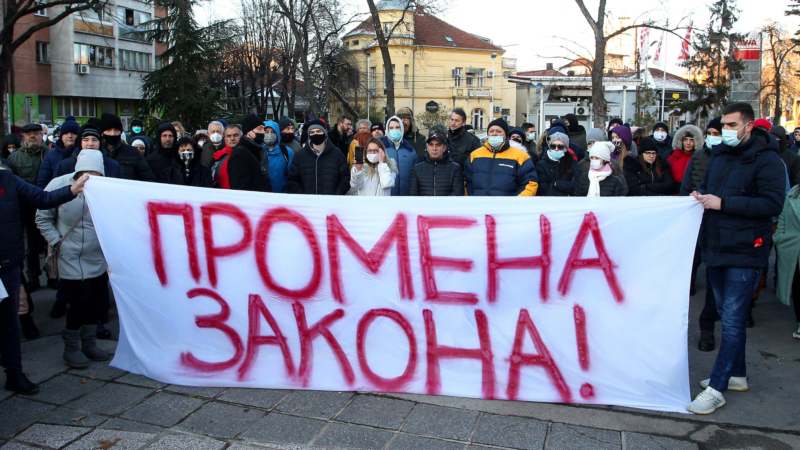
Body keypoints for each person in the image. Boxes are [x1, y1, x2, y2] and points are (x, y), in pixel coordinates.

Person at [687, 103, 785, 415]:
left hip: (746, 250)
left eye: (731, 125)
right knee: (731, 316)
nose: (724, 130)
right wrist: (699, 196)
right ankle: (737, 375)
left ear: (748, 126)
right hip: (716, 246)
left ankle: (717, 387)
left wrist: (724, 203)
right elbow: (709, 190)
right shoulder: (720, 156)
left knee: (731, 318)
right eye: (722, 125)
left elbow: (771, 203)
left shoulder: (767, 160)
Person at [1, 164, 89, 394]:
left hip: (8, 265)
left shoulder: (7, 179)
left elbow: (42, 198)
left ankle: (14, 373)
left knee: (9, 323)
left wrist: (72, 190)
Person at [36, 150, 111, 369]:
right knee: (77, 302)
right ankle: (71, 348)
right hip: (69, 255)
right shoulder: (58, 185)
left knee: (96, 302)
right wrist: (56, 240)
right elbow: (42, 216)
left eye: (95, 173)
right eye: (86, 173)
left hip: (96, 256)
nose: (90, 178)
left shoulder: (108, 190)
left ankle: (89, 343)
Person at [8, 123, 48, 292]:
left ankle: (53, 275)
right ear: (23, 137)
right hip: (25, 207)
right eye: (29, 134)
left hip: (47, 204)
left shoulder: (49, 155)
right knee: (30, 246)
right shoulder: (14, 158)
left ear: (41, 135)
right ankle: (33, 277)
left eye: (36, 133)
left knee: (48, 243)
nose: (33, 136)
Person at [464, 118, 538, 196]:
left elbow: (530, 183)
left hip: (508, 207)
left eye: (499, 131)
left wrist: (516, 204)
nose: (494, 133)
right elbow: (466, 182)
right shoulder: (475, 155)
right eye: (491, 131)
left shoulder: (521, 156)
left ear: (506, 135)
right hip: (479, 206)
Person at [286, 119, 349, 195]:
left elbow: (345, 178)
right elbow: (293, 180)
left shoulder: (337, 154)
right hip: (307, 203)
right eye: (312, 132)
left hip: (331, 202)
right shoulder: (300, 155)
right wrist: (302, 196)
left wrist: (337, 194)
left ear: (325, 133)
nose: (315, 134)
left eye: (318, 131)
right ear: (309, 135)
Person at [774, 185, 800, 339]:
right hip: (792, 248)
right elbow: (782, 218)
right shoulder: (792, 194)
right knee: (797, 286)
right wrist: (779, 238)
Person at [410, 128, 464, 196]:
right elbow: (413, 195)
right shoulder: (417, 169)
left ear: (444, 148)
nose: (434, 148)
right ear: (427, 147)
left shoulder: (455, 169)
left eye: (438, 145)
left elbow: (457, 194)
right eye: (431, 145)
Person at [227, 114, 270, 192]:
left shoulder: (257, 149)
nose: (263, 132)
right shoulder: (239, 154)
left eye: (264, 129)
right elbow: (240, 187)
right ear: (248, 132)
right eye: (259, 129)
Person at [148, 135, 212, 187]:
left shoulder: (205, 172)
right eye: (183, 150)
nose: (186, 152)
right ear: (177, 152)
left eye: (189, 150)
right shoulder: (169, 172)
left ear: (194, 151)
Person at [37, 118, 81, 188]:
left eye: (73, 133)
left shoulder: (83, 153)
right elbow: (43, 181)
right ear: (61, 136)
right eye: (66, 133)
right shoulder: (51, 155)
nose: (70, 136)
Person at [382, 116, 418, 196]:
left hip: (406, 197)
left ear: (401, 129)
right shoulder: (381, 149)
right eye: (391, 128)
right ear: (387, 130)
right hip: (387, 196)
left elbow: (415, 176)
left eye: (397, 127)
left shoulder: (410, 151)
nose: (394, 130)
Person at [536, 131, 577, 197]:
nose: (556, 149)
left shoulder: (571, 162)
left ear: (565, 148)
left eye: (560, 147)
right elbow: (543, 189)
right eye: (553, 146)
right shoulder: (541, 165)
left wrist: (557, 184)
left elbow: (575, 186)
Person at [263, 120, 294, 193]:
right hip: (263, 196)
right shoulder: (259, 151)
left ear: (277, 134)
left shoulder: (287, 152)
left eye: (272, 132)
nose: (269, 134)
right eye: (266, 132)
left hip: (283, 196)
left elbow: (292, 176)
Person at [210, 125, 242, 189]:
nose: (232, 138)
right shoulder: (217, 156)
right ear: (224, 138)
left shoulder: (249, 155)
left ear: (241, 137)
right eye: (229, 136)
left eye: (235, 135)